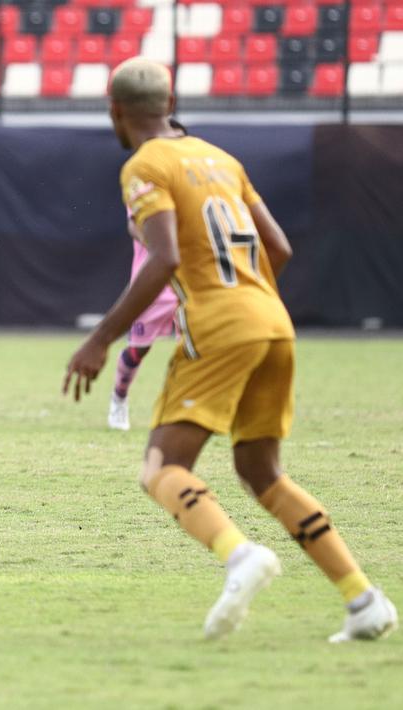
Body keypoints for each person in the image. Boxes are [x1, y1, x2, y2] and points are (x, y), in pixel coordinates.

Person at [63, 58, 396, 642]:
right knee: (261, 470)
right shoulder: (221, 158)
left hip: (220, 326)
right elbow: (280, 248)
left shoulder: (145, 164)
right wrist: (247, 294)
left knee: (161, 468)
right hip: (273, 319)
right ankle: (362, 598)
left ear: (115, 111)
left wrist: (99, 339)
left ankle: (239, 556)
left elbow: (163, 258)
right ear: (172, 102)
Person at [106, 215, 178, 431]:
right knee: (138, 350)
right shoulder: (145, 182)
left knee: (196, 346)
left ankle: (191, 407)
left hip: (191, 279)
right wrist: (160, 245)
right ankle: (119, 397)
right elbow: (133, 223)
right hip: (153, 281)